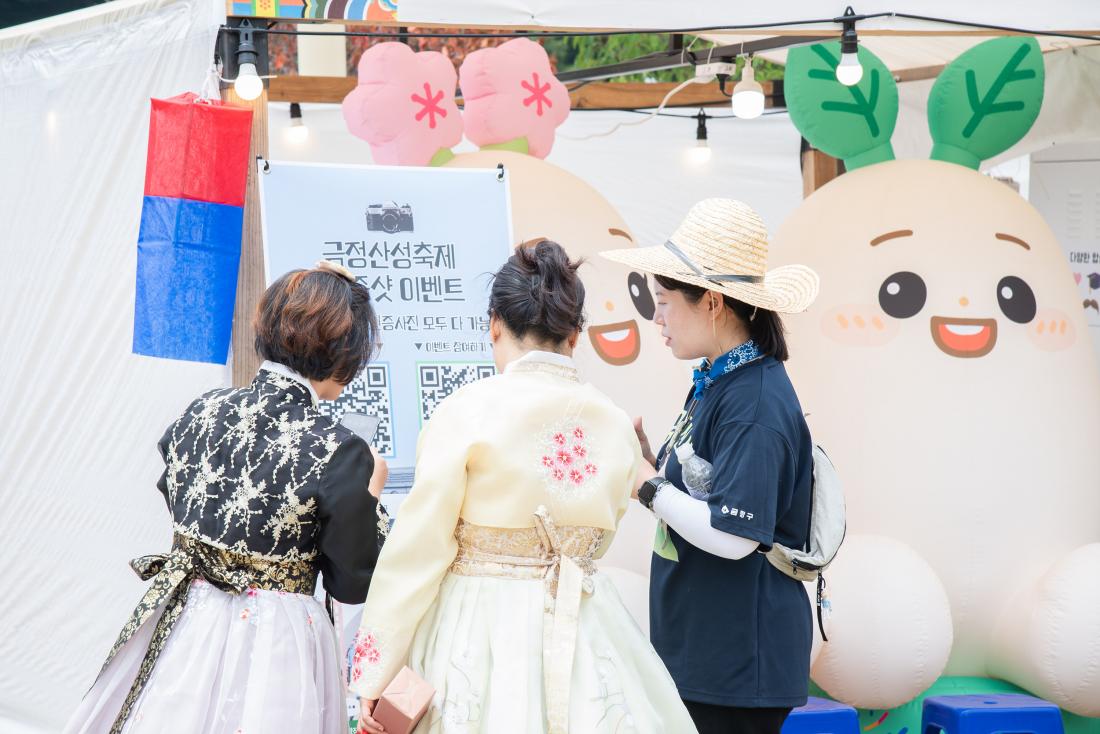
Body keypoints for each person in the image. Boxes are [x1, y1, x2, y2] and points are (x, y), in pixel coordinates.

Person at [351, 240, 696, 734]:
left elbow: (418, 550)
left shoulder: (466, 410)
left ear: (494, 324)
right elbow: (604, 530)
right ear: (575, 335)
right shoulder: (614, 422)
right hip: (585, 623)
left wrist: (374, 673)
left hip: (478, 625)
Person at [65, 261, 387, 734]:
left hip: (187, 618)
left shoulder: (203, 410)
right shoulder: (340, 449)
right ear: (343, 354)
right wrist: (372, 499)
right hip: (278, 639)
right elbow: (351, 581)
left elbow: (175, 492)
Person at [600, 198, 820, 734]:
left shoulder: (755, 401)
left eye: (665, 302)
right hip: (710, 652)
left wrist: (648, 486)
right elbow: (706, 495)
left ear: (714, 303)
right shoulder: (723, 380)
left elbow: (735, 537)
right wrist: (652, 464)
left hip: (737, 664)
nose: (656, 319)